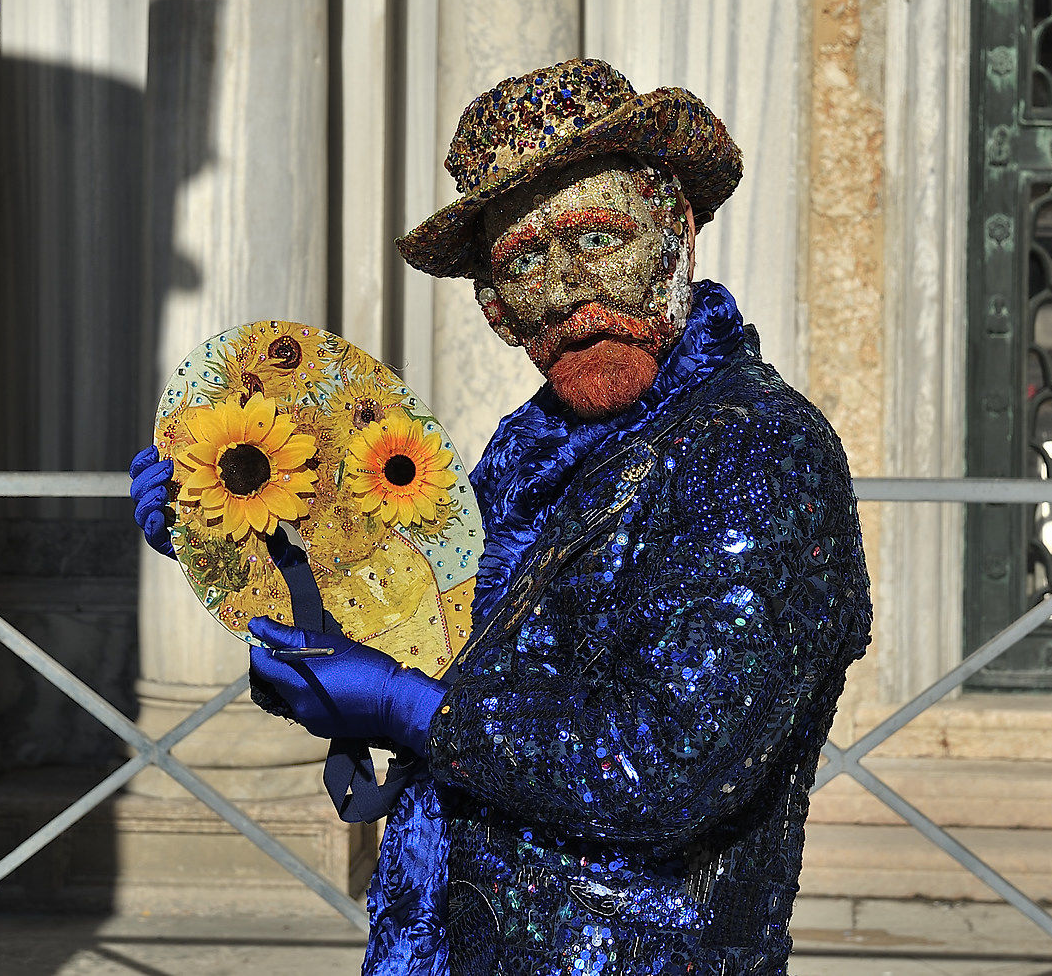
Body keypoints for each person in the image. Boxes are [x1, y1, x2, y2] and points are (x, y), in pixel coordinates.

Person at [130, 58, 871, 975]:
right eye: (523, 259)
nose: (561, 287)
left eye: (596, 238)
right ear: (493, 307)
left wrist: (411, 712)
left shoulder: (758, 450)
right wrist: (246, 549)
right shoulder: (535, 452)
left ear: (673, 226)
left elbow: (668, 762)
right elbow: (422, 636)